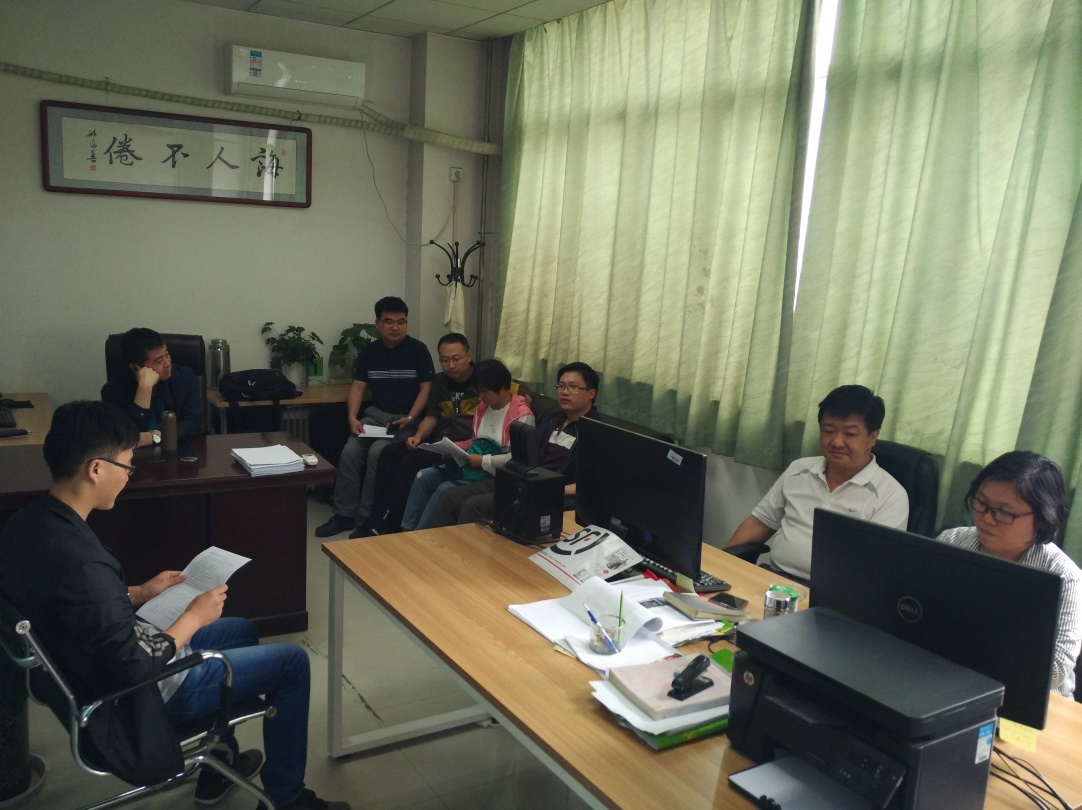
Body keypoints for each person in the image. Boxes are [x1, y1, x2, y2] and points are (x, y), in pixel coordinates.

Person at [0, 401, 347, 810]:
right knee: (293, 663)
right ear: (95, 469)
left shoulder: (29, 524)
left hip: (96, 666)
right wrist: (193, 617)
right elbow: (136, 664)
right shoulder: (83, 561)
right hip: (137, 695)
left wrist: (138, 593)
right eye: (127, 467)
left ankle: (218, 761)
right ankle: (286, 799)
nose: (128, 477)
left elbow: (72, 604)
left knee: (241, 630)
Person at [725, 384, 909, 582]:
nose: (836, 442)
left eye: (850, 434)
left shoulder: (890, 495)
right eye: (828, 430)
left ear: (873, 436)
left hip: (834, 595)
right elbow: (759, 523)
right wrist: (717, 568)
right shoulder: (799, 470)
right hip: (775, 583)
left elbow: (877, 571)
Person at [936, 451, 1082, 697]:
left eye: (1004, 512)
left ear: (1043, 518)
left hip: (1028, 696)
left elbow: (1056, 667)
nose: (986, 518)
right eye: (981, 503)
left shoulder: (1064, 577)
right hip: (946, 677)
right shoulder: (952, 541)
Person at [315, 297, 434, 537]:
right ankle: (343, 515)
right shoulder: (370, 352)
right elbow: (358, 387)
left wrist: (411, 417)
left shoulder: (418, 351)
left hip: (406, 420)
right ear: (377, 324)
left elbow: (426, 389)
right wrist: (352, 417)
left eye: (401, 322)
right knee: (350, 452)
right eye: (389, 322)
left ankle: (368, 518)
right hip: (376, 417)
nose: (395, 327)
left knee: (377, 453)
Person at [431, 361, 600, 529]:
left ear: (591, 393)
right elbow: (526, 453)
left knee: (472, 506)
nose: (565, 392)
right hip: (520, 479)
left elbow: (591, 484)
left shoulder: (594, 432)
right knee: (449, 495)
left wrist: (553, 489)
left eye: (573, 387)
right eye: (561, 386)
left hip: (547, 491)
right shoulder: (551, 418)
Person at [399, 359, 533, 532]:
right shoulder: (483, 407)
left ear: (501, 387)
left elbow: (517, 459)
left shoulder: (521, 415)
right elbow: (475, 440)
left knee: (444, 490)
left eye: (484, 391)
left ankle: (423, 537)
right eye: (479, 391)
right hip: (473, 465)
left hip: (497, 474)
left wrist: (483, 460)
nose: (481, 397)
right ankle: (406, 530)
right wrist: (453, 448)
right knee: (423, 477)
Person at [101, 328, 202, 448]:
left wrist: (156, 436)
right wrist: (144, 388)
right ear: (135, 368)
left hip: (179, 448)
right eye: (158, 361)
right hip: (137, 455)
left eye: (167, 354)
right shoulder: (113, 391)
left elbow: (193, 423)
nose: (167, 363)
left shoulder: (184, 377)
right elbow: (128, 436)